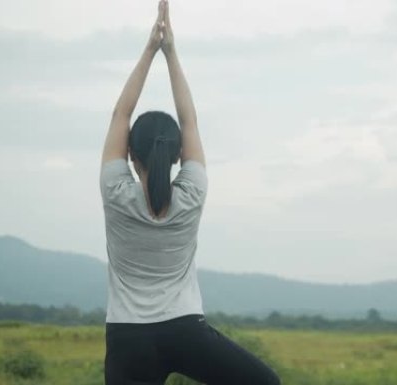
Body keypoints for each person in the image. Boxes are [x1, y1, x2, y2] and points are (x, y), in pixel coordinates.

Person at [99, 1, 281, 384]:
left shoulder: (115, 193)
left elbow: (120, 115)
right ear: (179, 154)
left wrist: (149, 49)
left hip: (127, 338)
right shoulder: (192, 194)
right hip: (184, 330)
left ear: (131, 156)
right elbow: (190, 121)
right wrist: (171, 52)